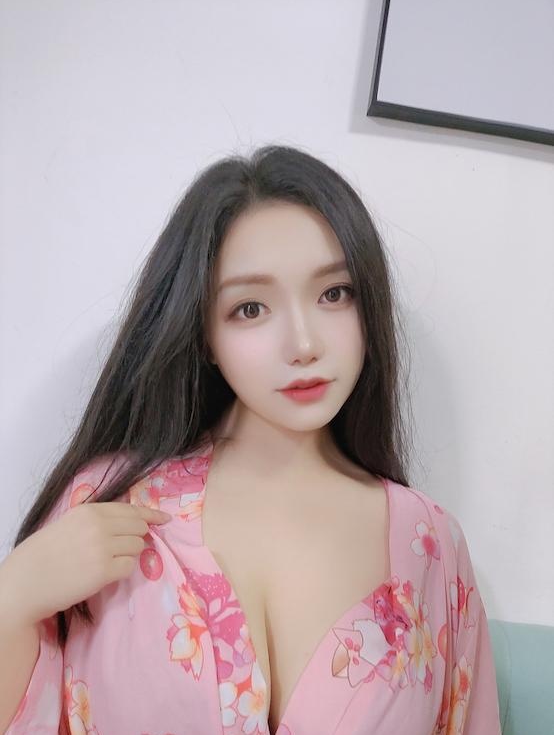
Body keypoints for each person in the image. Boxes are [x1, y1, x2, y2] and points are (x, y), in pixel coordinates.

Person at [0, 144, 501, 734]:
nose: (304, 344)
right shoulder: (110, 502)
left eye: (334, 294)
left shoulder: (430, 543)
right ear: (203, 333)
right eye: (251, 308)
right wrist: (13, 596)